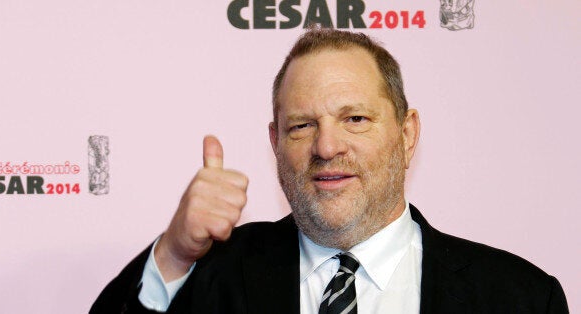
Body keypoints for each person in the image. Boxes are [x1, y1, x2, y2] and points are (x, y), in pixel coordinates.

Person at [91, 27, 569, 314]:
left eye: (354, 119)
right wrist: (174, 253)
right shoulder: (213, 278)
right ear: (275, 144)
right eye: (301, 126)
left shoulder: (519, 297)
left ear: (407, 135)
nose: (326, 146)